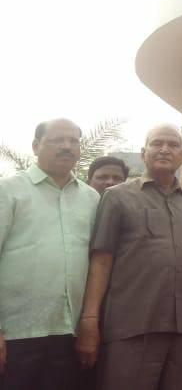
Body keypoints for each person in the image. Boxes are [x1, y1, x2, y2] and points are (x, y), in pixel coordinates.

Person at [77, 124, 182, 390]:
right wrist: (89, 320)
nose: (164, 150)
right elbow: (101, 260)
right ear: (144, 153)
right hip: (132, 327)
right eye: (157, 143)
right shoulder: (117, 196)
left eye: (172, 145)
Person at [0, 119, 99, 389]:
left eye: (73, 141)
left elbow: (96, 265)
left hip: (70, 334)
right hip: (15, 334)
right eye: (57, 140)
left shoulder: (91, 199)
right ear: (35, 146)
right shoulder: (8, 191)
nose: (67, 146)